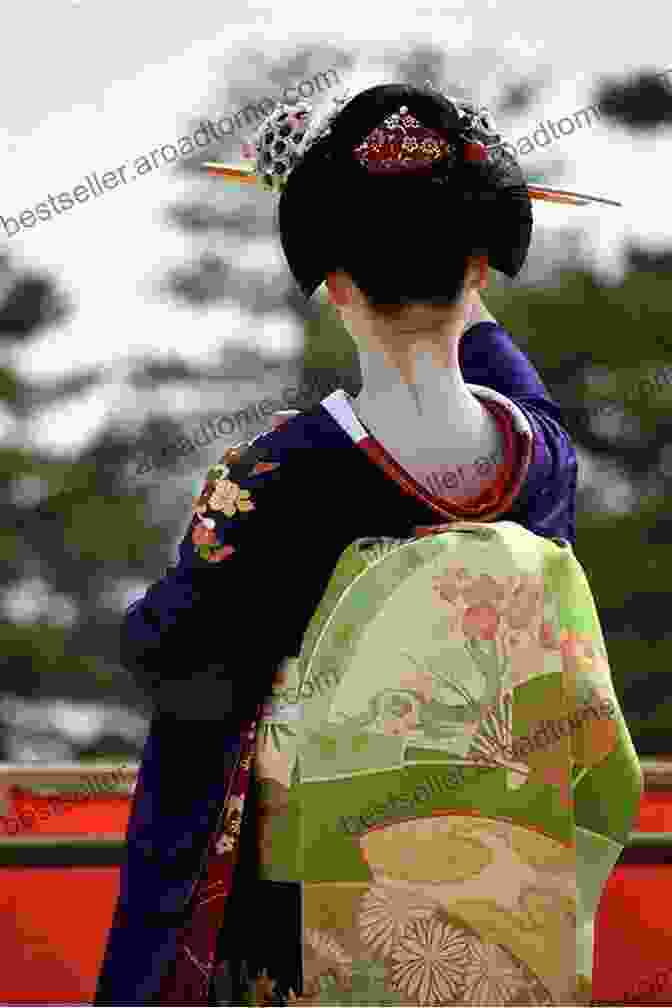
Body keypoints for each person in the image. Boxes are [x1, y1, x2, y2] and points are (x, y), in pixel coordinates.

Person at [95, 83, 641, 1006]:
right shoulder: (536, 461)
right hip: (482, 895)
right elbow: (512, 374)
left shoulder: (278, 472)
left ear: (335, 288)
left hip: (306, 903)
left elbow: (174, 656)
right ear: (478, 273)